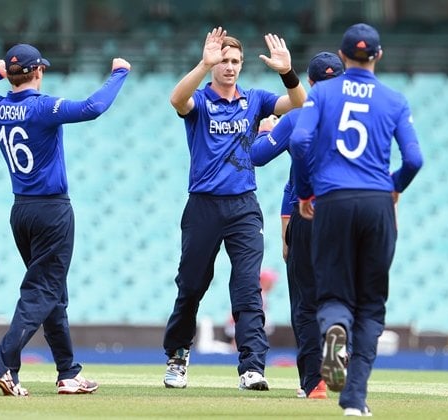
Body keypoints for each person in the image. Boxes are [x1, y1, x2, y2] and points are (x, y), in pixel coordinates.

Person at [0, 44, 131, 397]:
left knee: (52, 294)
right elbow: (93, 107)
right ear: (39, 72)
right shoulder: (43, 107)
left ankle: (67, 372)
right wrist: (119, 73)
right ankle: (3, 363)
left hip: (22, 211)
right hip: (52, 211)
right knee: (44, 290)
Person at [289, 23, 423, 416]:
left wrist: (304, 192)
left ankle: (336, 330)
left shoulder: (323, 92)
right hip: (377, 202)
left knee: (332, 296)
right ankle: (354, 399)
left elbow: (299, 141)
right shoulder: (394, 100)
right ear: (378, 56)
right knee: (371, 304)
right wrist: (394, 185)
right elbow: (414, 159)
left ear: (343, 56)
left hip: (332, 200)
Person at [163, 26, 306, 390]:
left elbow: (299, 105)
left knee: (247, 288)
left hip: (244, 206)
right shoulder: (201, 100)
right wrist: (202, 63)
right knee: (192, 285)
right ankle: (178, 356)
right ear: (214, 64)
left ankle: (252, 367)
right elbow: (177, 100)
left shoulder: (254, 100)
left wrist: (287, 72)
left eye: (235, 61)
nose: (229, 67)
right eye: (223, 60)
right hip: (203, 206)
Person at [250, 52, 345, 400]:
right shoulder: (358, 120)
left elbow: (257, 157)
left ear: (311, 83)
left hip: (309, 214)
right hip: (349, 216)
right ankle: (339, 333)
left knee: (305, 303)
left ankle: (315, 383)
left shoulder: (297, 117)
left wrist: (264, 129)